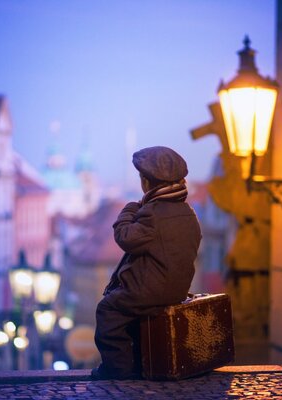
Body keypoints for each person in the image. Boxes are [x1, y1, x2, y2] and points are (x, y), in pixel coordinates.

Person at [92, 146, 202, 380]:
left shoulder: (152, 213)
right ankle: (141, 364)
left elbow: (125, 238)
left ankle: (116, 370)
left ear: (146, 182)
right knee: (135, 319)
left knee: (109, 310)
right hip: (177, 288)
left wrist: (129, 209)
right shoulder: (188, 212)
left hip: (150, 290)